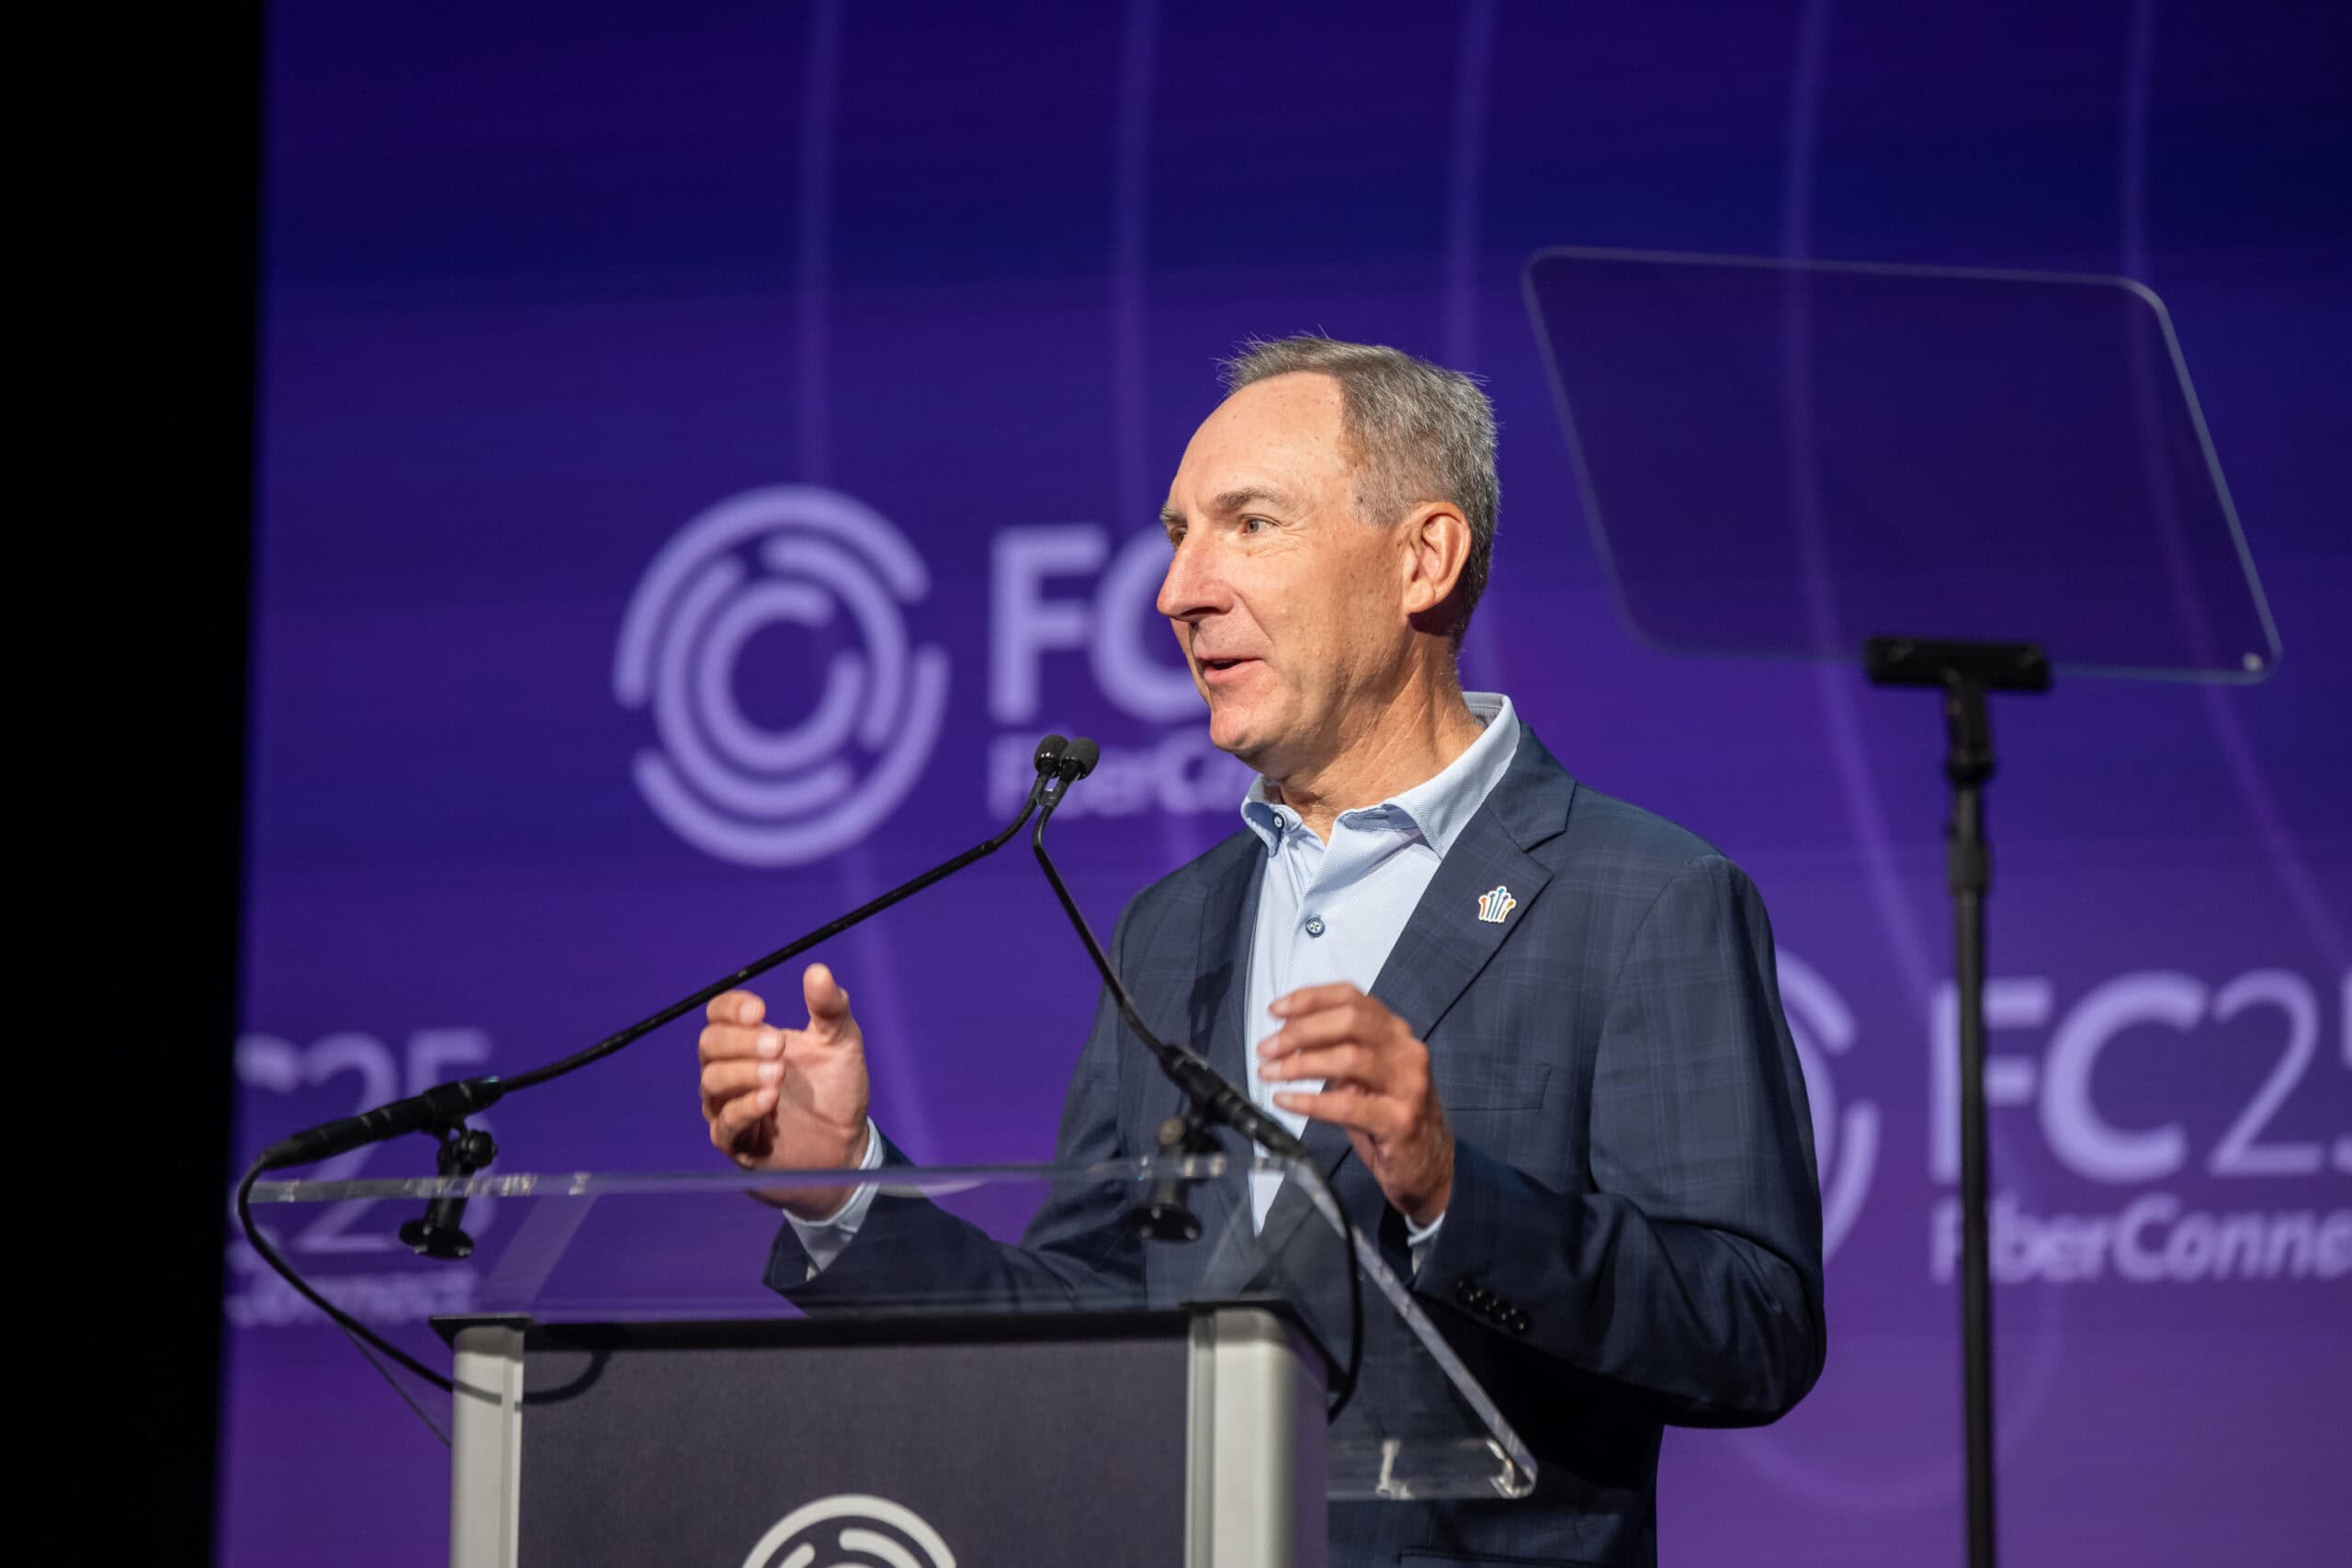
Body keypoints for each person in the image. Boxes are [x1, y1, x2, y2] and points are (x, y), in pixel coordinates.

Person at [696, 335, 1826, 1566]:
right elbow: (1089, 1322)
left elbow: (1753, 1329)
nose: (1178, 590)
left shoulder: (1644, 897)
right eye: (1179, 534)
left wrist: (1454, 1191)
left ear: (1423, 559)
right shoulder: (1172, 927)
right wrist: (847, 1193)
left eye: (1248, 524)